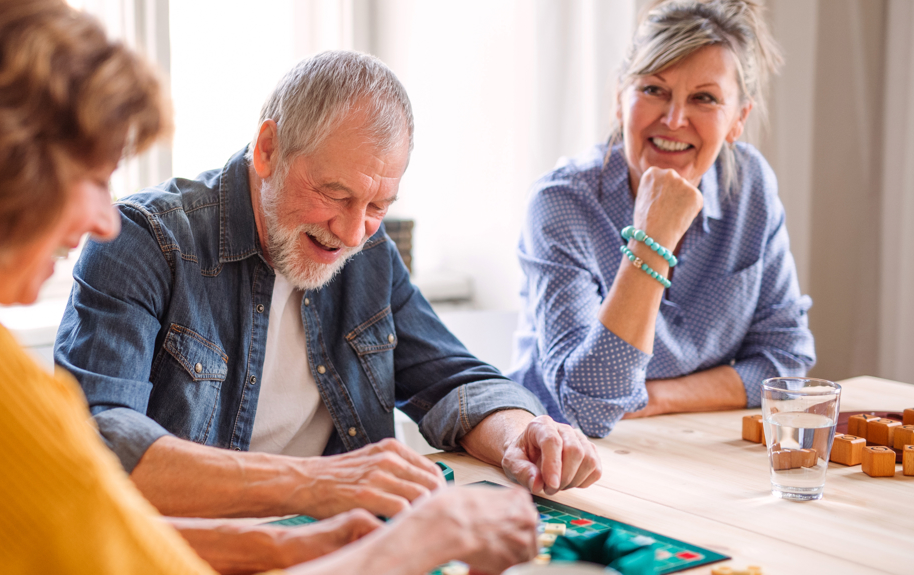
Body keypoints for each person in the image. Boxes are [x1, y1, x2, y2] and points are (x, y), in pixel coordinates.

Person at [0, 1, 542, 573]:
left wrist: (286, 547)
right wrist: (406, 541)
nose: (101, 217)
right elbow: (108, 490)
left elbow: (110, 540)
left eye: (374, 206)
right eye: (92, 177)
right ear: (0, 160)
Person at [54, 50, 602, 523]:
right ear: (267, 148)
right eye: (335, 195)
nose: (352, 231)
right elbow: (103, 442)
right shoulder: (142, 240)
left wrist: (521, 435)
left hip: (336, 539)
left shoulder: (370, 252)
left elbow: (451, 379)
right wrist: (318, 484)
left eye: (377, 206)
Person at [508, 0, 816, 438]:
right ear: (620, 97)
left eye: (704, 98)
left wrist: (658, 396)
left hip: (678, 440)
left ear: (737, 120)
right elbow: (589, 409)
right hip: (554, 453)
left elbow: (786, 362)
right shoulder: (562, 202)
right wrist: (652, 238)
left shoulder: (749, 186)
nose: (674, 120)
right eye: (654, 89)